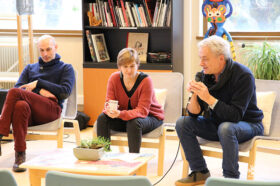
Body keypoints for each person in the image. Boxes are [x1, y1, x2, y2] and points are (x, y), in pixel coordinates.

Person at [175, 35, 264, 186]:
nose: (200, 63)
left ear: (221, 58)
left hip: (248, 124)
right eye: (200, 58)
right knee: (183, 122)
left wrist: (208, 98)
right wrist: (195, 95)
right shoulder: (205, 75)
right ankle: (200, 172)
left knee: (226, 127)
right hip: (218, 123)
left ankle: (230, 179)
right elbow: (194, 113)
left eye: (205, 59)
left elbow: (235, 116)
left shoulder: (243, 75)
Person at [0, 35, 75, 172]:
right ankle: (20, 156)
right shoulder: (30, 68)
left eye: (48, 49)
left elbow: (64, 92)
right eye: (41, 50)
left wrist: (38, 84)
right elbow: (19, 90)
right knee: (19, 105)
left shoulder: (66, 68)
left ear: (56, 47)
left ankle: (0, 131)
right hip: (29, 113)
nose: (45, 54)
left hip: (51, 111)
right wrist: (40, 91)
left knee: (14, 93)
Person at [96, 48, 164, 153]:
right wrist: (110, 111)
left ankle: (133, 160)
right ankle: (103, 155)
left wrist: (120, 114)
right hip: (126, 118)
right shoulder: (114, 78)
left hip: (150, 117)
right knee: (102, 118)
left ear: (138, 65)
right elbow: (108, 103)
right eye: (125, 67)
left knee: (134, 123)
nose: (129, 70)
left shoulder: (146, 81)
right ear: (119, 67)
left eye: (132, 66)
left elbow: (142, 111)